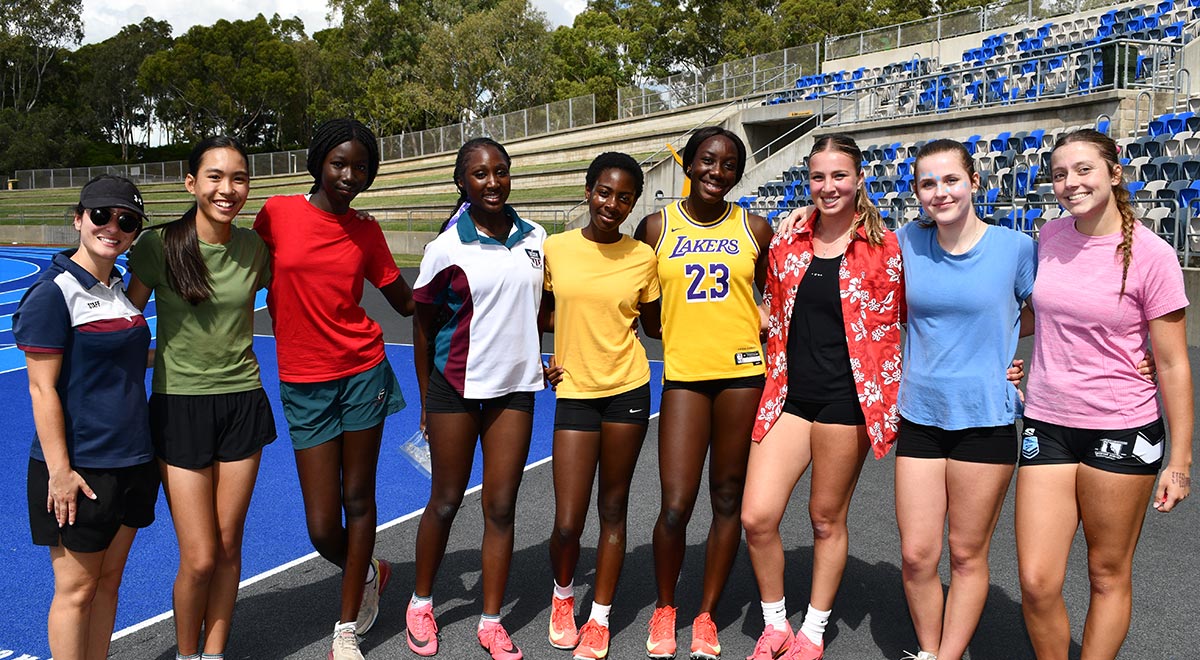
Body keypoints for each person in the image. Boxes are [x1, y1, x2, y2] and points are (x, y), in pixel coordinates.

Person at [1016, 128, 1192, 660]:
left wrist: (1180, 461)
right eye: (1059, 174)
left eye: (1083, 169)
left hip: (1122, 427)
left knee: (1107, 573)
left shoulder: (1154, 255)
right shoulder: (1050, 235)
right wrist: (994, 353)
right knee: (1036, 581)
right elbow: (1036, 315)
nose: (1070, 182)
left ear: (1115, 173)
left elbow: (1172, 363)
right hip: (1047, 421)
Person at [253, 118, 413, 660]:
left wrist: (462, 281)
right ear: (319, 162)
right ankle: (367, 570)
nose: (349, 175)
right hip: (303, 380)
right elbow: (245, 273)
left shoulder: (366, 231)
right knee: (323, 526)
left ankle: (345, 631)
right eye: (340, 163)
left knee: (358, 498)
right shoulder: (277, 213)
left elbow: (405, 302)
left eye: (361, 168)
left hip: (362, 372)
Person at [740, 134, 903, 660]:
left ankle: (812, 630)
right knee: (756, 517)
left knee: (825, 519)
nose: (828, 186)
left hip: (848, 402)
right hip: (789, 396)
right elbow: (770, 310)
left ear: (859, 179)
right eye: (818, 176)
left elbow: (924, 317)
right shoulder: (787, 241)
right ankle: (775, 623)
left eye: (839, 176)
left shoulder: (887, 248)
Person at [126, 137, 274, 660]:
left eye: (238, 178)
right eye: (214, 176)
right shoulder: (158, 246)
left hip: (242, 402)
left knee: (229, 545)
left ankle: (214, 652)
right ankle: (186, 655)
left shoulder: (255, 249)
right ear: (191, 184)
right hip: (179, 408)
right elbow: (124, 326)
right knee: (200, 556)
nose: (227, 188)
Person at [891, 139, 1035, 660]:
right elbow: (842, 240)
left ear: (974, 181)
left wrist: (1003, 345)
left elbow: (1050, 312)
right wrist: (801, 216)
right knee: (916, 555)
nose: (940, 192)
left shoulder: (1016, 248)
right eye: (927, 183)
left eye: (951, 179)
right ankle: (928, 650)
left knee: (966, 554)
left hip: (985, 418)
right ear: (916, 192)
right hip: (920, 415)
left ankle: (946, 656)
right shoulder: (905, 241)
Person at [633, 126, 774, 660]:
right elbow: (647, 314)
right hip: (686, 377)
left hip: (742, 376)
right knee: (675, 504)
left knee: (727, 498)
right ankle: (665, 607)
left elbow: (775, 294)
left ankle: (706, 614)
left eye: (730, 164)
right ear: (688, 164)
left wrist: (758, 318)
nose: (718, 171)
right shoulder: (656, 226)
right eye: (708, 161)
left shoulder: (754, 227)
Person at [408, 137, 546, 660]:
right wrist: (426, 399)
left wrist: (539, 355)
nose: (493, 182)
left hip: (515, 387)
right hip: (455, 387)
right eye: (481, 174)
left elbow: (540, 307)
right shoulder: (447, 248)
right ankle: (421, 603)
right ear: (462, 183)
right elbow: (423, 326)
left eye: (501, 171)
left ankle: (491, 621)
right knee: (445, 500)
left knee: (501, 506)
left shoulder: (536, 237)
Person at [14, 176, 156, 660]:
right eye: (101, 215)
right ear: (78, 220)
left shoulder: (119, 289)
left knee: (108, 582)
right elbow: (41, 387)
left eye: (127, 221)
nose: (113, 227)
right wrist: (60, 472)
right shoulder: (54, 292)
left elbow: (123, 360)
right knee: (76, 591)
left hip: (133, 460)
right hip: (81, 468)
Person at [540, 152, 662, 660]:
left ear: (633, 204)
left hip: (628, 388)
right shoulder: (555, 248)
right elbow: (539, 315)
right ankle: (563, 597)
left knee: (613, 508)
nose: (612, 204)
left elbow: (654, 325)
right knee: (568, 521)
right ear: (589, 191)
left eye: (624, 197)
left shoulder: (643, 257)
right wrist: (537, 360)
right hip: (574, 390)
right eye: (605, 192)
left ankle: (600, 618)